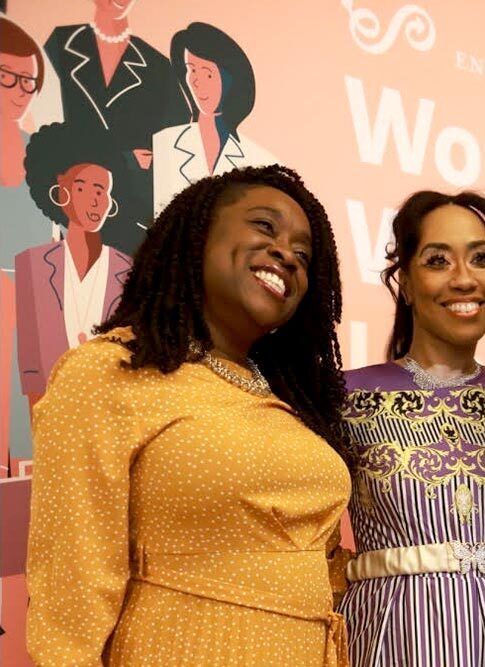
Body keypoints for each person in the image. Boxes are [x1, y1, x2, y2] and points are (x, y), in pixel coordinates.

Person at [26, 165, 352, 666]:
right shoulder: (108, 372)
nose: (286, 253)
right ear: (197, 235)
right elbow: (72, 585)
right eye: (264, 227)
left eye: (304, 255)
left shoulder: (292, 404)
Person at [338, 191, 485, 666]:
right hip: (389, 640)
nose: (464, 279)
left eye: (481, 259)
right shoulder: (346, 398)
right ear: (407, 284)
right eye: (438, 260)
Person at [44, 0, 189, 253]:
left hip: (128, 226)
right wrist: (126, 160)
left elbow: (169, 158)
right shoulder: (59, 46)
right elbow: (44, 141)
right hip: (66, 213)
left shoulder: (158, 68)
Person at [16, 122, 131, 410]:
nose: (94, 199)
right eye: (83, 187)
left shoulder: (126, 269)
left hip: (106, 413)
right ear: (60, 193)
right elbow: (31, 368)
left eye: (101, 190)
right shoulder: (32, 265)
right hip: (51, 415)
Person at [0, 16, 56, 475]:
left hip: (33, 304)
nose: (20, 91)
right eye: (8, 78)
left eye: (29, 83)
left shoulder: (39, 151)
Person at [153, 22, 276, 216]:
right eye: (191, 70)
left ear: (231, 80)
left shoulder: (260, 162)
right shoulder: (163, 143)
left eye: (208, 73)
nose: (196, 81)